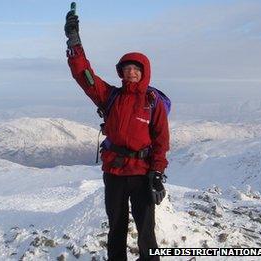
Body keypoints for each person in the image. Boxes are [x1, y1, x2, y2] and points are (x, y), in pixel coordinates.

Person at [65, 6, 169, 261]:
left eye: (136, 69)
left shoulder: (152, 101)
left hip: (142, 172)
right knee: (116, 227)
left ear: (144, 73)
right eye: (126, 68)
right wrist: (74, 41)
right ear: (121, 72)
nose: (131, 72)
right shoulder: (110, 96)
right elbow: (84, 76)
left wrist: (157, 172)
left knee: (146, 229)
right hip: (113, 172)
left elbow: (160, 140)